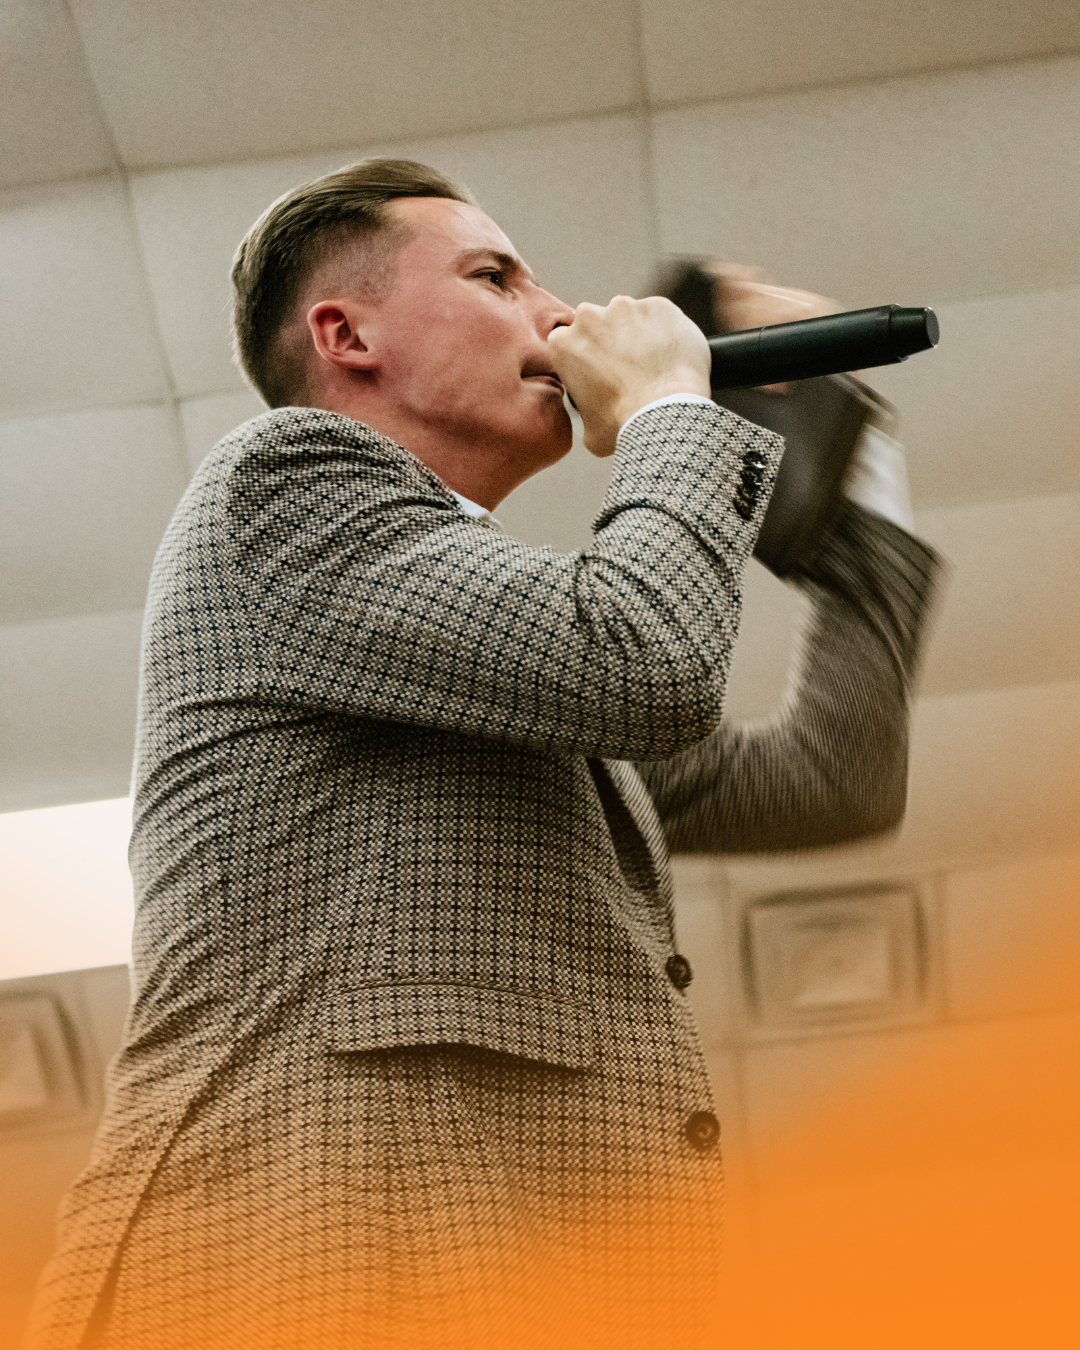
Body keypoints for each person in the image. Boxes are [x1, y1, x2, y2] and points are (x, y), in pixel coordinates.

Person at [27, 159, 939, 1350]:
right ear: (346, 335)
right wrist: (670, 412)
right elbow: (648, 660)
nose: (558, 316)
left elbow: (832, 778)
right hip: (286, 1269)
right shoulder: (282, 484)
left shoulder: (499, 674)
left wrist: (852, 485)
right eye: (496, 277)